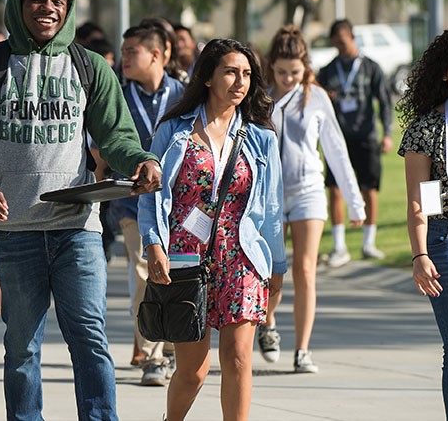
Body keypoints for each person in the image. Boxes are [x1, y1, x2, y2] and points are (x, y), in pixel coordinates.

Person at [0, 0, 162, 420]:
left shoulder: (88, 67)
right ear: (19, 5)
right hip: (15, 230)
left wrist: (141, 159)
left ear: (69, 9)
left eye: (57, 2)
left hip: (77, 229)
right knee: (22, 345)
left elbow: (117, 135)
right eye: (37, 0)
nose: (47, 9)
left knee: (90, 336)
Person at [139, 38, 285, 421]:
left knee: (238, 359)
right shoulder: (173, 130)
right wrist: (154, 244)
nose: (240, 82)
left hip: (242, 257)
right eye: (231, 72)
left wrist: (278, 267)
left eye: (248, 75)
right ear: (207, 77)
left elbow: (270, 209)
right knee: (193, 371)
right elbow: (153, 195)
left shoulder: (261, 138)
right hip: (187, 258)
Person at [261, 26, 364, 373]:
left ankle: (303, 349)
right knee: (273, 271)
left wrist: (355, 201)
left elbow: (336, 150)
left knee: (306, 269)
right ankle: (269, 323)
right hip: (268, 196)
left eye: (295, 72)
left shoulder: (317, 97)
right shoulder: (259, 98)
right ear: (271, 67)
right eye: (281, 72)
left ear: (306, 66)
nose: (289, 79)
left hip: (308, 190)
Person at [115, 23, 186, 386]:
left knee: (181, 271)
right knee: (145, 268)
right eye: (123, 52)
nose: (124, 58)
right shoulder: (116, 95)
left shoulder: (184, 95)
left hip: (183, 203)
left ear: (157, 55)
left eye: (132, 52)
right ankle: (152, 356)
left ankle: (174, 341)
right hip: (133, 202)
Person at [398, 27, 448, 420]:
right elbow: (421, 200)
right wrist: (420, 254)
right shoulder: (427, 129)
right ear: (446, 74)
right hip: (444, 242)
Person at [317, 19, 392, 266]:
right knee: (335, 189)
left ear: (352, 38)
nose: (339, 47)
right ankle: (339, 246)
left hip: (366, 135)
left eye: (343, 41)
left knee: (369, 188)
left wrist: (387, 133)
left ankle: (368, 243)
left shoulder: (371, 67)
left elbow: (384, 101)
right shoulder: (328, 71)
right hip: (337, 138)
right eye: (335, 43)